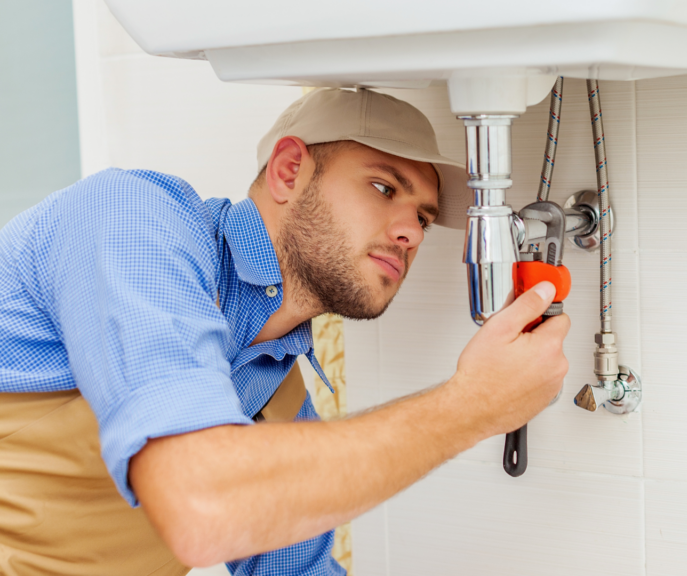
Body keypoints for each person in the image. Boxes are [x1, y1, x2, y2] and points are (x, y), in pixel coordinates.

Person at [0, 88, 570, 575]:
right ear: (289, 171)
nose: (411, 233)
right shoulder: (131, 221)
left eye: (422, 217)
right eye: (383, 189)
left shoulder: (274, 382)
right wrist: (472, 405)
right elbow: (202, 504)